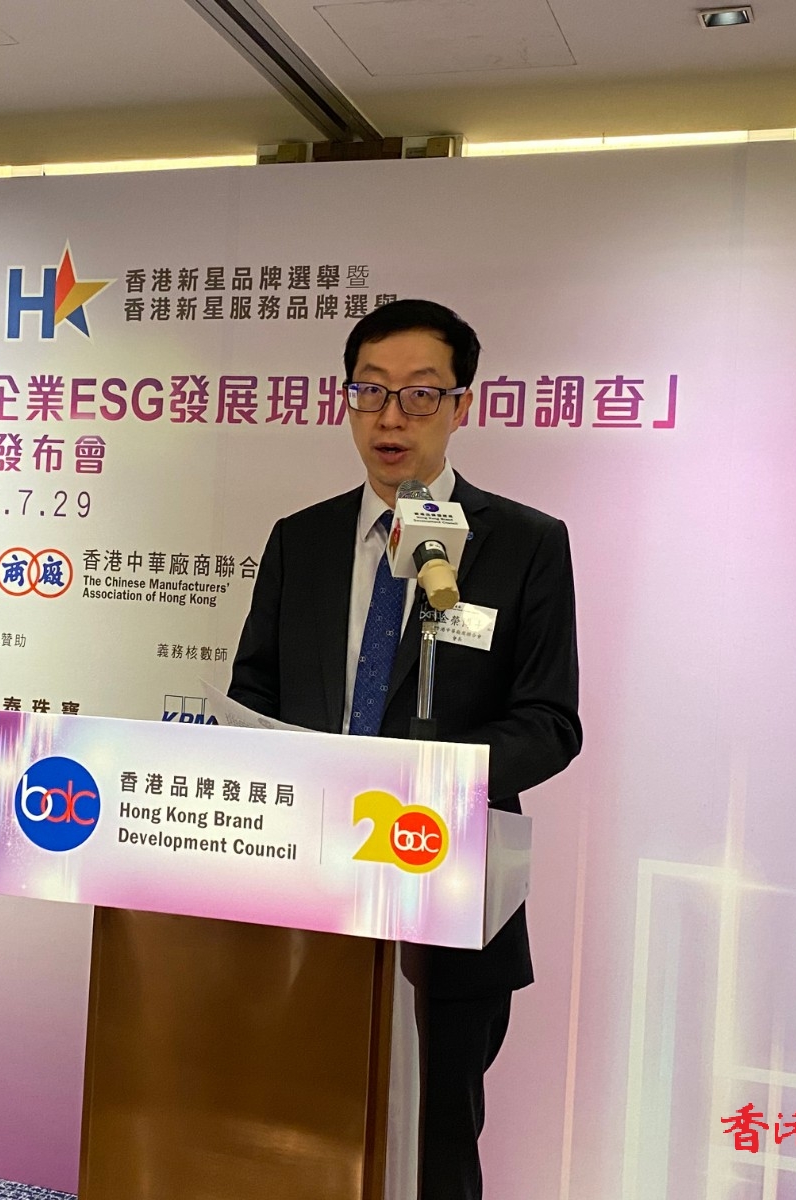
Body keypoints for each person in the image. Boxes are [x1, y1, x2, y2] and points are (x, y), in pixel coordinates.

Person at [228, 298, 581, 1200]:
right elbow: (254, 694)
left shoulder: (527, 544)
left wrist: (432, 783)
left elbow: (550, 722)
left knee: (435, 1142)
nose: (391, 418)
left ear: (463, 406)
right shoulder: (300, 540)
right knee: (299, 1128)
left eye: (421, 395)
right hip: (308, 888)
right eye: (370, 391)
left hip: (449, 887)